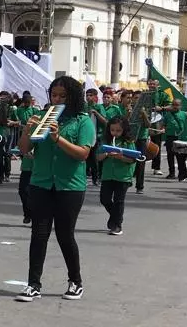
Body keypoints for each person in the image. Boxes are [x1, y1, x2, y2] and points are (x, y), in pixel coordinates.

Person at [15, 76, 94, 303]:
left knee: (64, 234)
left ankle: (75, 281)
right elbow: (25, 149)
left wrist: (58, 138)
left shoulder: (82, 121)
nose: (57, 99)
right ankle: (33, 284)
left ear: (73, 98)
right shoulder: (41, 117)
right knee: (39, 234)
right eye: (54, 95)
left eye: (62, 96)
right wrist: (26, 132)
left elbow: (83, 153)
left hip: (70, 185)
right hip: (41, 182)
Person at [97, 115, 138, 236]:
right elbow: (98, 157)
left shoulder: (128, 142)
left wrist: (120, 156)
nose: (115, 133)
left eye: (118, 130)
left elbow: (132, 159)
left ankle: (117, 225)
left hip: (123, 176)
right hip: (107, 175)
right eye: (112, 130)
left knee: (119, 201)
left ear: (124, 130)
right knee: (104, 199)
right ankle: (115, 217)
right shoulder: (105, 141)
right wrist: (106, 154)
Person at [14, 93, 39, 223]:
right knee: (22, 191)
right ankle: (27, 213)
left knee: (34, 193)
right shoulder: (27, 128)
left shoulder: (40, 127)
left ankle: (34, 214)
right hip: (27, 164)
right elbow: (21, 146)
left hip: (38, 166)